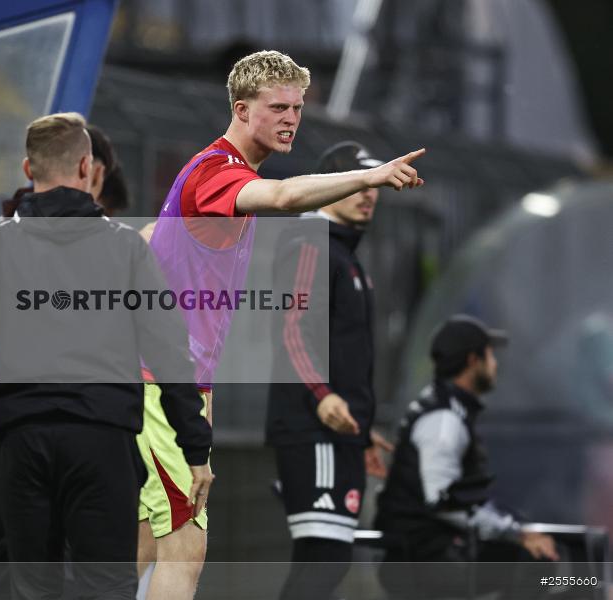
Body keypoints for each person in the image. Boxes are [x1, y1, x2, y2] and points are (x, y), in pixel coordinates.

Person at [137, 50, 425, 599]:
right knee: (184, 546)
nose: (291, 118)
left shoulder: (206, 178)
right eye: (277, 107)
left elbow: (151, 239)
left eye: (297, 107)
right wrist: (373, 176)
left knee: (146, 540)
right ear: (242, 110)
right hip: (160, 387)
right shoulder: (218, 174)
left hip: (167, 385)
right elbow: (288, 196)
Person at [0, 112, 212, 600]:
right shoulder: (126, 249)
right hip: (102, 441)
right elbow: (169, 351)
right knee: (105, 587)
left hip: (22, 440)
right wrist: (195, 447)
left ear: (28, 169)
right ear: (88, 167)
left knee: (28, 588)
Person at [0, 123, 133, 600]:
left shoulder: (17, 228)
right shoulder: (17, 229)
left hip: (4, 407)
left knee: (16, 552)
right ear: (87, 169)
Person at [265, 141, 395, 599]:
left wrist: (360, 428)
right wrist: (323, 396)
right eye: (358, 181)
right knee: (324, 562)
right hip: (313, 429)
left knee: (326, 563)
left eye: (374, 183)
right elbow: (292, 329)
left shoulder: (344, 253)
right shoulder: (309, 242)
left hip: (339, 433)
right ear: (329, 185)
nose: (369, 192)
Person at [375, 315, 559, 598]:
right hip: (426, 559)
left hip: (434, 552)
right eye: (490, 356)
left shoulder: (448, 408)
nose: (495, 364)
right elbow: (444, 502)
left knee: (544, 555)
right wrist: (516, 533)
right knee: (536, 561)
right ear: (473, 361)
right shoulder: (444, 419)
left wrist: (513, 526)